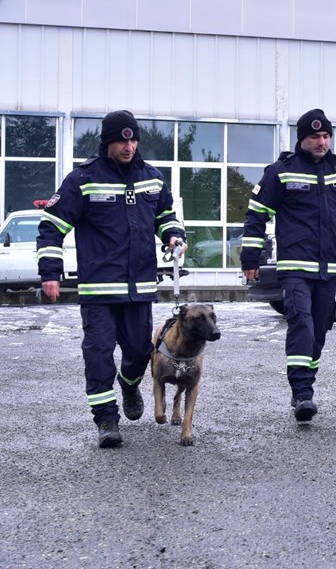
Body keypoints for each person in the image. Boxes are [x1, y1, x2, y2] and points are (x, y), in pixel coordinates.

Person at [37, 110, 187, 448]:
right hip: (99, 290)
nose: (129, 145)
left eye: (133, 139)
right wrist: (50, 273)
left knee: (137, 353)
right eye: (122, 139)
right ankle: (106, 420)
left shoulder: (152, 177)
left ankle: (129, 384)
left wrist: (173, 235)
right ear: (108, 142)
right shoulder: (83, 180)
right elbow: (52, 227)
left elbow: (165, 215)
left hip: (140, 289)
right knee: (98, 353)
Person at [240, 109, 336, 423]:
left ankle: (305, 385)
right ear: (302, 139)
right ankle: (302, 393)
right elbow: (256, 215)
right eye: (315, 137)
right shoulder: (281, 172)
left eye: (326, 136)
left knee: (319, 330)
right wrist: (250, 260)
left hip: (331, 268)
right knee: (302, 324)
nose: (322, 142)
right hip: (295, 267)